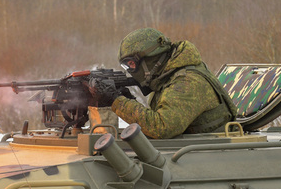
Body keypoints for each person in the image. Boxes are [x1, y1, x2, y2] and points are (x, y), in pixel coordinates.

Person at [88, 28, 237, 139]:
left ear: (151, 59)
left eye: (131, 64)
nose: (131, 71)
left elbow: (161, 127)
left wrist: (117, 101)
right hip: (192, 152)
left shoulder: (188, 82)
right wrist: (127, 100)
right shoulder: (167, 78)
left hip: (208, 157)